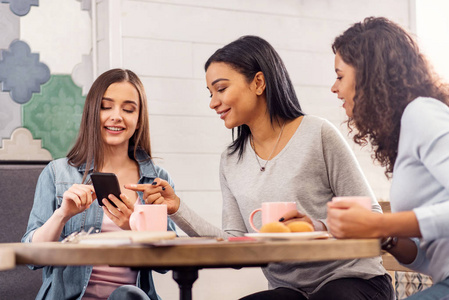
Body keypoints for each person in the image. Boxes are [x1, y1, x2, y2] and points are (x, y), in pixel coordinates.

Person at [126, 35, 393, 300]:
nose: (213, 102)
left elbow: (370, 213)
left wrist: (318, 227)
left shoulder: (317, 133)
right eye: (210, 93)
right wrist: (177, 208)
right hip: (290, 292)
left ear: (258, 82)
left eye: (221, 89)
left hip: (354, 280)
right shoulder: (231, 160)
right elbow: (234, 246)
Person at [22, 68, 176, 300]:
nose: (117, 116)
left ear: (138, 119)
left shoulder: (155, 181)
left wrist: (133, 226)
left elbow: (170, 261)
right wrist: (62, 214)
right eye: (106, 106)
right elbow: (32, 257)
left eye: (128, 109)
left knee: (127, 295)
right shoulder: (57, 173)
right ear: (92, 112)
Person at [326, 17, 449, 299]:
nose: (334, 88)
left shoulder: (423, 113)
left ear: (369, 75)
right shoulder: (407, 128)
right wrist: (388, 239)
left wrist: (380, 223)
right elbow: (431, 259)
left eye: (340, 76)